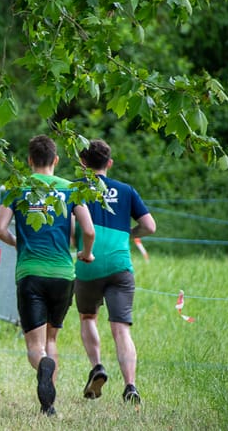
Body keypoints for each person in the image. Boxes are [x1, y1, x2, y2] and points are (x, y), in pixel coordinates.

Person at [0, 134, 95, 416]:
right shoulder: (70, 189)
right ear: (56, 160)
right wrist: (86, 253)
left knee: (35, 346)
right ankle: (49, 405)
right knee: (51, 340)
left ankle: (43, 369)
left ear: (29, 160)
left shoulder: (17, 187)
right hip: (63, 274)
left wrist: (17, 242)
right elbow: (88, 230)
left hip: (30, 273)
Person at [74, 139, 156, 404]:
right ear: (109, 163)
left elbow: (70, 228)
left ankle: (97, 366)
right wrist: (128, 234)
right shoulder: (126, 190)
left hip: (88, 264)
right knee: (121, 329)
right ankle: (130, 385)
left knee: (88, 317)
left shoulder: (75, 189)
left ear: (83, 163)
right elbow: (150, 226)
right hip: (120, 266)